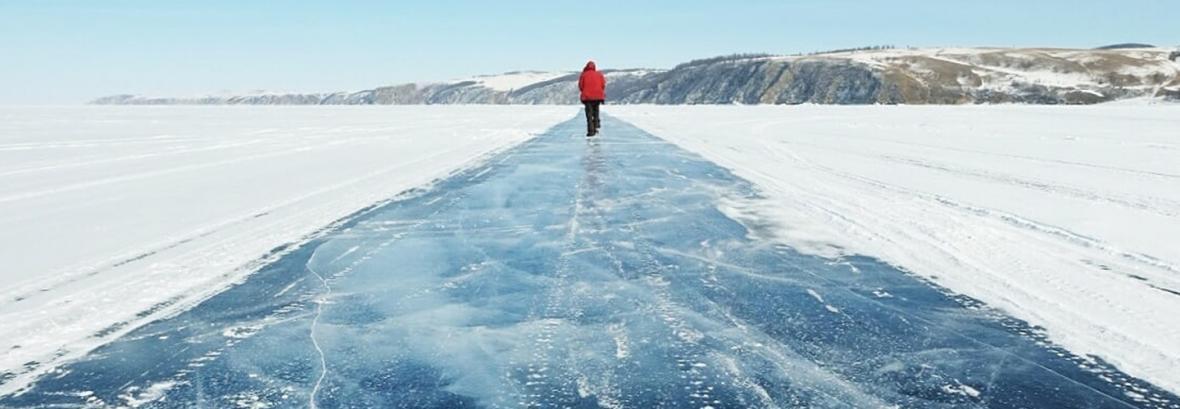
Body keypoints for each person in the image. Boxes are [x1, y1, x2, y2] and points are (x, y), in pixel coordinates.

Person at [578, 61, 606, 137]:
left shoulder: (583, 75)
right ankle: (596, 125)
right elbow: (603, 85)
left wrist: (585, 91)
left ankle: (591, 131)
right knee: (596, 111)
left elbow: (581, 86)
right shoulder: (599, 74)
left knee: (589, 114)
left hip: (587, 97)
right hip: (598, 96)